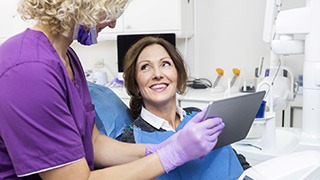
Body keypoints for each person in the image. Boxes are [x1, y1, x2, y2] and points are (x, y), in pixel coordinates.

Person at [0, 0, 225, 179]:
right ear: (84, 4)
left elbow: (94, 142)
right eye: (110, 10)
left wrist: (159, 147)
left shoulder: (68, 58)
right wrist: (172, 154)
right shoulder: (28, 71)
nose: (113, 23)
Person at [120, 36, 250, 179]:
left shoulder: (198, 115)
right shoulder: (131, 140)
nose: (157, 74)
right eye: (145, 67)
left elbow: (234, 159)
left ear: (178, 75)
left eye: (165, 64)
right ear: (135, 84)